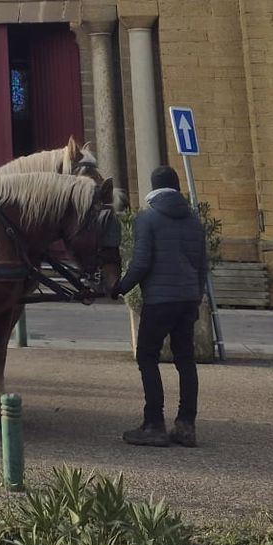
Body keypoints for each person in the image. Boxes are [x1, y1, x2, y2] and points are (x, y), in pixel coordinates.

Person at [115, 164, 208, 448]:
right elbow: (202, 265)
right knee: (185, 360)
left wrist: (119, 287)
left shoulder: (148, 219)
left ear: (153, 188)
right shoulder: (194, 220)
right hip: (187, 299)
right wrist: (196, 297)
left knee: (147, 357)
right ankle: (186, 425)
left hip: (159, 300)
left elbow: (141, 263)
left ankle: (154, 423)